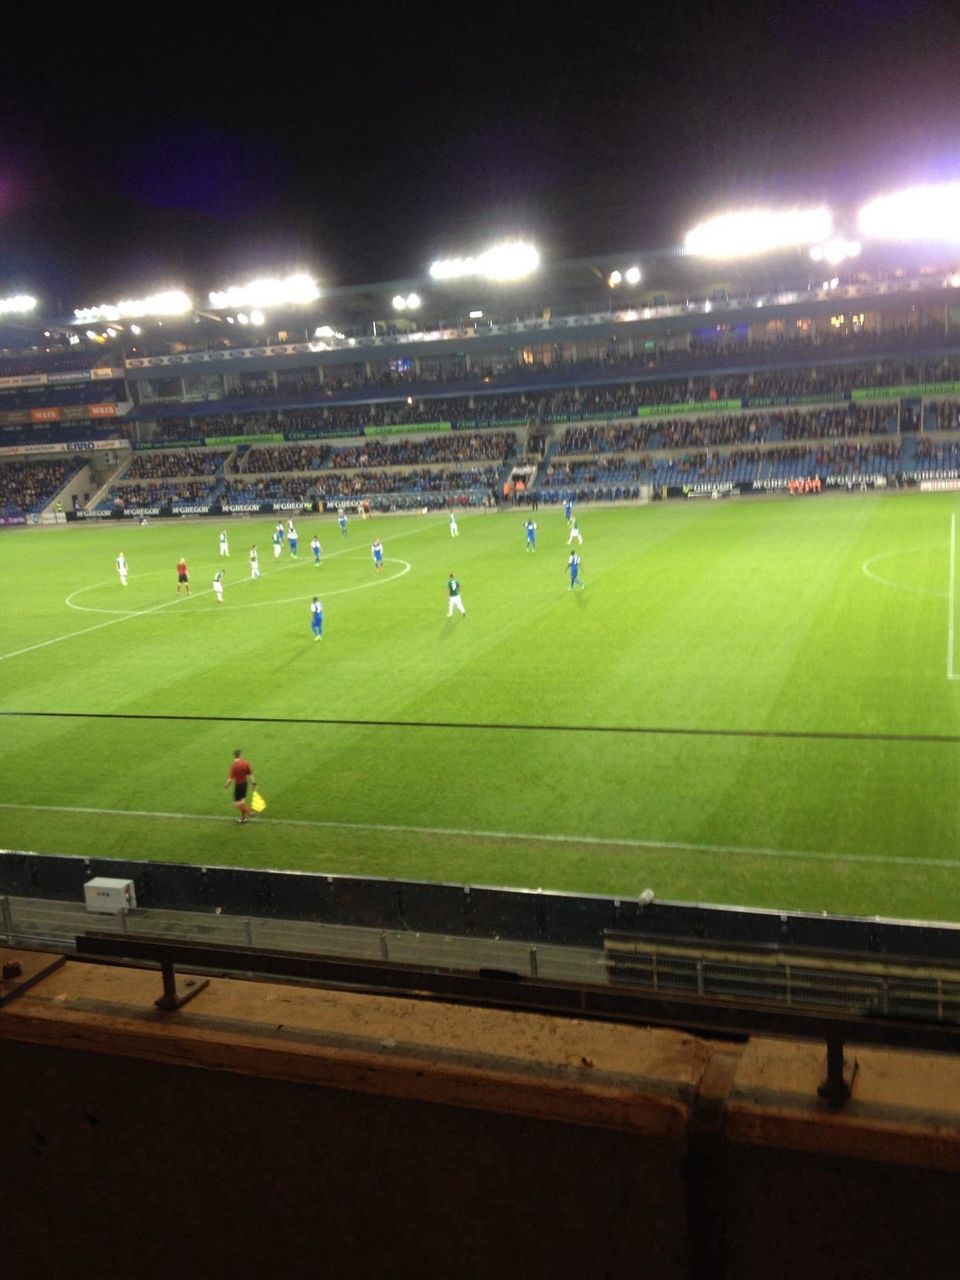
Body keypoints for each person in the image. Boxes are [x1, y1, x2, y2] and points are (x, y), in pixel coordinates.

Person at [224, 748, 256, 824]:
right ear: (240, 755)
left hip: (239, 785)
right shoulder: (246, 763)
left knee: (236, 803)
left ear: (234, 756)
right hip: (245, 784)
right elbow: (250, 774)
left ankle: (249, 813)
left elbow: (230, 779)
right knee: (242, 801)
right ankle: (243, 818)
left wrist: (226, 786)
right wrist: (254, 783)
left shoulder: (234, 766)